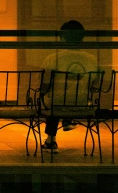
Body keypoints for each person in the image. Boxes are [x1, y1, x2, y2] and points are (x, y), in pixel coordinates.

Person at [40, 20, 100, 153]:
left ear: (62, 37)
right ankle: (68, 119)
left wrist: (43, 92)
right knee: (69, 96)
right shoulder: (92, 59)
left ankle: (51, 140)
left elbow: (45, 84)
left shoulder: (53, 58)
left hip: (56, 103)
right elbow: (95, 86)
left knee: (53, 100)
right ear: (82, 37)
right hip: (82, 103)